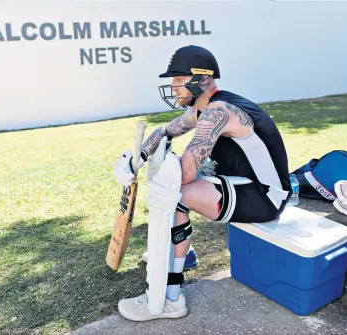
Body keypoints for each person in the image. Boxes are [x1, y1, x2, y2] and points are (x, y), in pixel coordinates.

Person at [113, 45, 292, 321]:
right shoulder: (206, 106)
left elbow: (183, 174)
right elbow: (164, 131)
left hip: (266, 196)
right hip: (244, 182)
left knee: (174, 194)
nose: (173, 86)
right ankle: (185, 254)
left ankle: (170, 298)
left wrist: (158, 166)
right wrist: (136, 159)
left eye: (179, 79)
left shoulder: (219, 111)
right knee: (174, 188)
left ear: (202, 78)